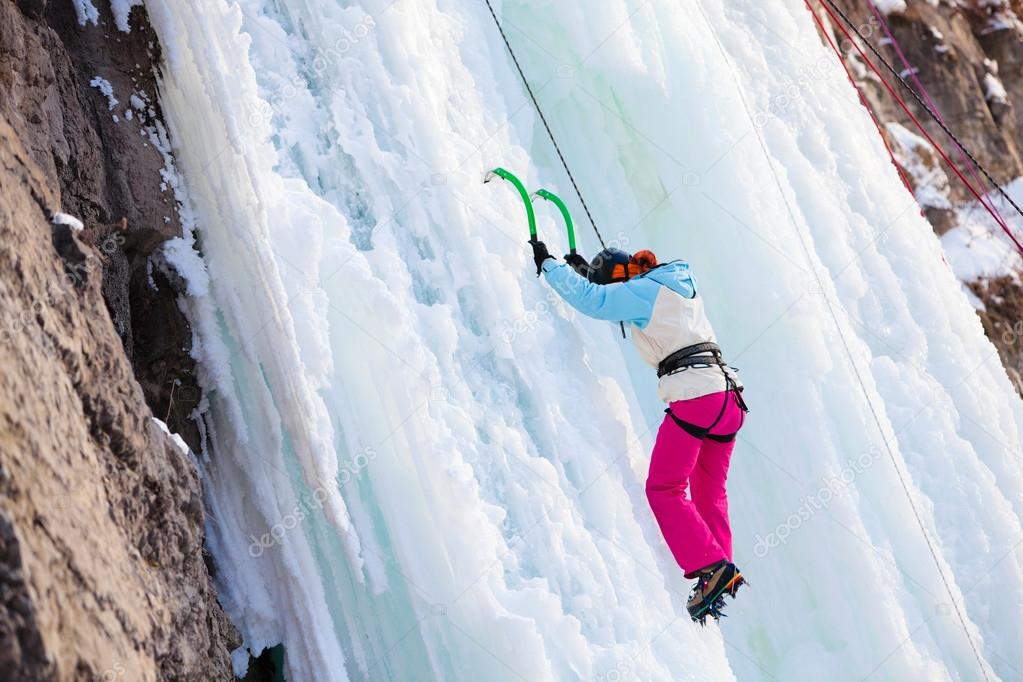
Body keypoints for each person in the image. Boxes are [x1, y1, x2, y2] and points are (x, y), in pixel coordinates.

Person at [530, 241, 748, 624]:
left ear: (626, 279)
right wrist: (587, 271)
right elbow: (614, 294)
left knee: (664, 488)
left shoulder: (645, 292)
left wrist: (549, 265)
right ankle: (721, 564)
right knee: (710, 490)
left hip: (696, 396)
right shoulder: (676, 282)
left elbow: (596, 301)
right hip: (729, 399)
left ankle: (711, 568)